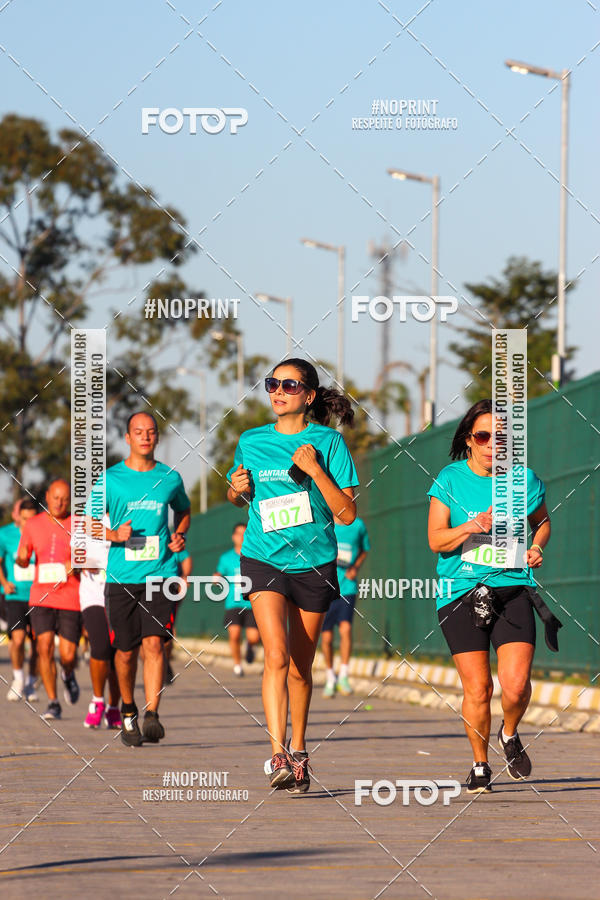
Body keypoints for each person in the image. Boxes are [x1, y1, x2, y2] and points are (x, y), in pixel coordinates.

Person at [227, 358, 358, 793]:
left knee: (302, 668)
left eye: (288, 384)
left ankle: (300, 749)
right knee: (276, 656)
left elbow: (346, 514)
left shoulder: (329, 443)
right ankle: (277, 751)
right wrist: (236, 489)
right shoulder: (251, 439)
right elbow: (234, 492)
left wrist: (317, 469)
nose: (277, 391)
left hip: (314, 562)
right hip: (263, 558)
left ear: (309, 395)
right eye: (271, 383)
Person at [427, 399, 550, 793]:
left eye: (502, 437)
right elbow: (435, 540)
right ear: (469, 441)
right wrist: (470, 526)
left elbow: (542, 522)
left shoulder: (523, 479)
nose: (492, 443)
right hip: (460, 591)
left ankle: (510, 733)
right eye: (483, 436)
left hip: (512, 587)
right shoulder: (449, 479)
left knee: (515, 685)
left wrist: (537, 545)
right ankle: (480, 765)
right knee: (478, 688)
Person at [98, 412, 190, 746]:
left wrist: (179, 534)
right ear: (128, 437)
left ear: (157, 437)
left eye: (151, 432)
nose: (145, 437)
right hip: (122, 575)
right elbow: (87, 524)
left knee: (154, 643)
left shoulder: (170, 478)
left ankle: (152, 714)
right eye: (139, 432)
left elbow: (183, 512)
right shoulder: (110, 480)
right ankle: (126, 708)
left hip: (161, 571)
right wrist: (113, 534)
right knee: (125, 651)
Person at [17, 479, 82, 720]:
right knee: (43, 647)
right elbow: (22, 559)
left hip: (69, 597)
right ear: (47, 496)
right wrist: (22, 559)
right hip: (41, 596)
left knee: (67, 655)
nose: (59, 502)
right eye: (55, 498)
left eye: (65, 498)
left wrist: (76, 564)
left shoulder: (78, 524)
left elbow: (91, 559)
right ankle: (53, 702)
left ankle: (68, 674)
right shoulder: (33, 524)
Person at [76, 516, 121, 728]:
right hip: (93, 594)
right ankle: (97, 701)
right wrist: (83, 560)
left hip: (121, 592)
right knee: (101, 647)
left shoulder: (127, 514)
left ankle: (114, 708)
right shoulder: (84, 521)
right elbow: (74, 553)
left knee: (119, 652)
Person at [321, 514, 370, 697]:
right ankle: (329, 677)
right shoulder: (325, 519)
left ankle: (343, 675)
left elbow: (365, 549)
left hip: (347, 587)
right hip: (326, 588)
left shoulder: (357, 525)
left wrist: (355, 567)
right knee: (326, 638)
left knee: (346, 629)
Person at [0, 498, 39, 701]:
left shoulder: (42, 532)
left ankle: (31, 683)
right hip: (15, 595)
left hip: (40, 595)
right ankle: (17, 678)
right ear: (18, 516)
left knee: (39, 644)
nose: (27, 524)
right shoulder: (5, 534)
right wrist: (4, 583)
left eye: (31, 519)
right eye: (24, 519)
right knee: (17, 639)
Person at [215, 522, 260, 676]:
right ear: (233, 537)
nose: (241, 537)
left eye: (244, 533)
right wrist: (216, 578)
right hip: (233, 603)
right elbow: (219, 573)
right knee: (234, 634)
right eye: (238, 534)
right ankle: (237, 665)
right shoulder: (226, 557)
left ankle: (249, 646)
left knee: (254, 637)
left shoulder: (254, 554)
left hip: (251, 604)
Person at [163, 547, 193, 685]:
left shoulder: (172, 541)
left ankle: (164, 662)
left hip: (168, 588)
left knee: (166, 632)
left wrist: (185, 577)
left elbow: (185, 558)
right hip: (141, 585)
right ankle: (153, 666)